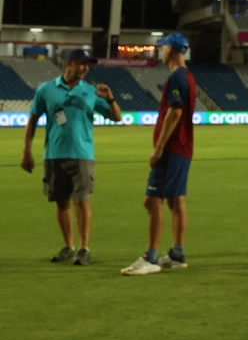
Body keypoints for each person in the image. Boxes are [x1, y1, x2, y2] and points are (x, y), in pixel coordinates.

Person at [21, 48, 122, 266]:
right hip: (54, 154)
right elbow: (32, 121)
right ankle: (69, 246)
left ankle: (84, 248)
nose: (85, 68)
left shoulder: (92, 91)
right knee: (61, 202)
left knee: (81, 201)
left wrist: (110, 99)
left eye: (88, 65)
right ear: (70, 63)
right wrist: (26, 151)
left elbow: (117, 117)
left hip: (81, 153)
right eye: (81, 63)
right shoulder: (46, 89)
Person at [121, 33, 196, 276]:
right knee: (176, 200)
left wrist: (159, 148)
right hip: (184, 147)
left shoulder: (176, 77)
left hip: (172, 149)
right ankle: (177, 253)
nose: (161, 51)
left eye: (163, 47)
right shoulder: (188, 76)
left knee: (152, 201)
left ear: (171, 49)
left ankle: (150, 257)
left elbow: (175, 112)